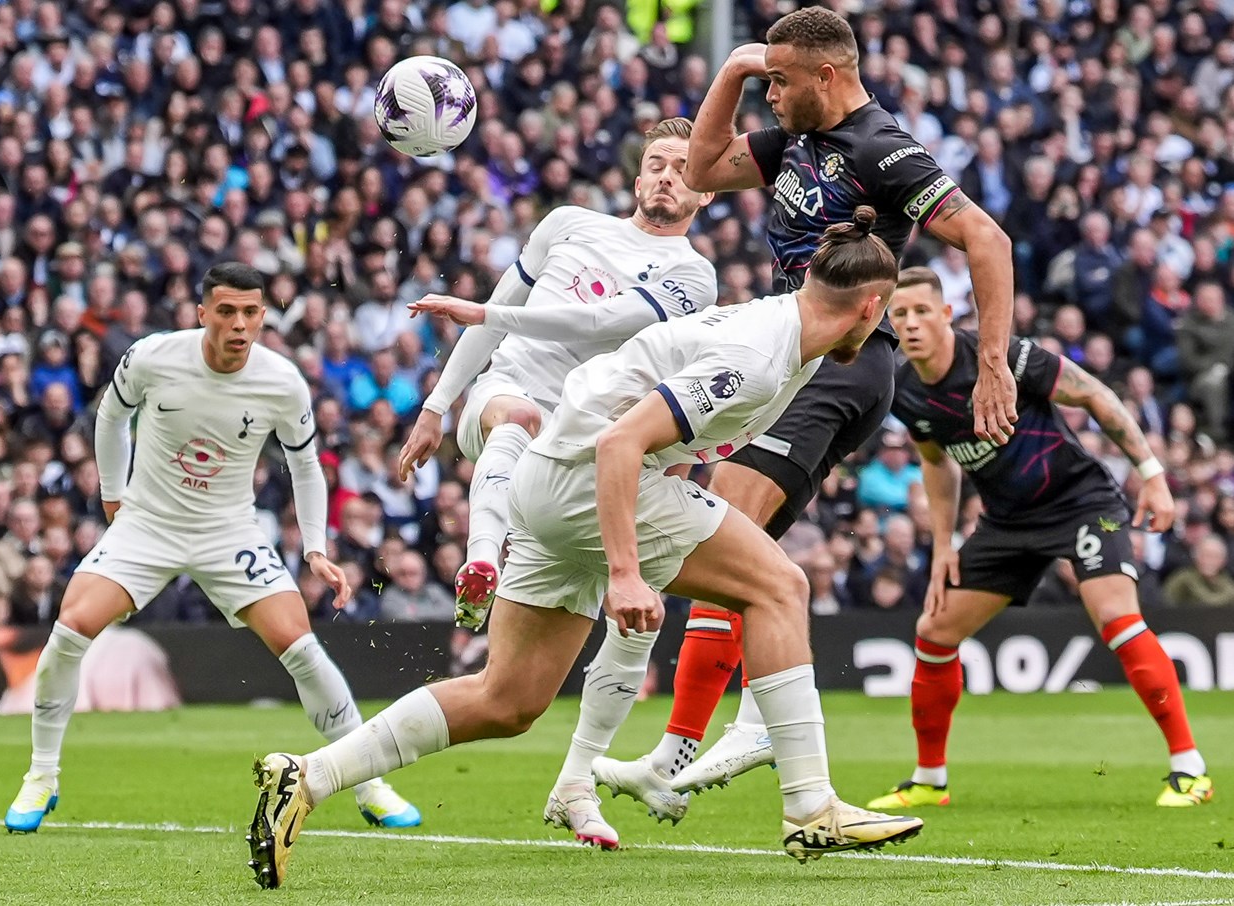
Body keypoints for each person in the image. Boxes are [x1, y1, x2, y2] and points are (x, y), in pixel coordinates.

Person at [243, 210, 922, 890]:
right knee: (778, 587)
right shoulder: (758, 354)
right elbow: (620, 443)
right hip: (584, 480)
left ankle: (310, 774)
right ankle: (809, 805)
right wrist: (625, 574)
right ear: (871, 307)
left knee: (507, 699)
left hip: (551, 482)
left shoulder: (782, 329)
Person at [565, 5, 1020, 822]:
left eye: (778, 80)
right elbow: (701, 169)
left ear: (826, 76)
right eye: (763, 80)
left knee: (724, 516)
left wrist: (992, 367)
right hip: (789, 355)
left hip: (843, 359)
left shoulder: (883, 149)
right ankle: (702, 740)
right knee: (731, 542)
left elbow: (987, 240)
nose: (769, 94)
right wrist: (732, 72)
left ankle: (728, 734)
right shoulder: (792, 144)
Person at [3, 263, 420, 834]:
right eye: (226, 311)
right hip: (146, 524)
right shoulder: (153, 356)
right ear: (202, 314)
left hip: (229, 531)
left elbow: (305, 466)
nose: (239, 324)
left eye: (251, 312)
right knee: (70, 630)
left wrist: (317, 548)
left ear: (263, 316)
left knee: (301, 645)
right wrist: (111, 494)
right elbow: (111, 416)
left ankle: (369, 783)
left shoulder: (283, 382)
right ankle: (42, 776)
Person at [864, 267, 1209, 809]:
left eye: (922, 311)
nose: (910, 324)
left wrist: (1153, 475)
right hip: (1006, 523)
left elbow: (1093, 393)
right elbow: (936, 462)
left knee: (1118, 620)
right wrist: (944, 547)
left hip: (1082, 504)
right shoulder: (906, 392)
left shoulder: (1003, 359)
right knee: (934, 630)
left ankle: (1189, 769)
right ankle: (930, 780)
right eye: (899, 314)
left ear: (947, 315)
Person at [397, 118, 718, 628]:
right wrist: (435, 408)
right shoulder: (568, 223)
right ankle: (481, 558)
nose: (666, 176)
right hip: (507, 393)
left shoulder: (695, 277)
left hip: (581, 446)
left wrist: (485, 313)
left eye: (682, 169)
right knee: (519, 416)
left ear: (705, 193)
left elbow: (598, 322)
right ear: (637, 182)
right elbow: (496, 313)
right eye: (656, 165)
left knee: (513, 696)